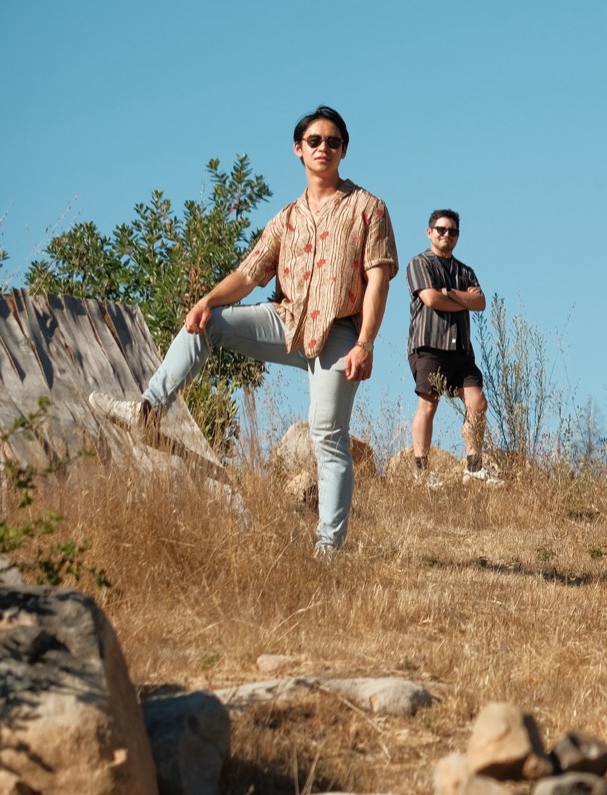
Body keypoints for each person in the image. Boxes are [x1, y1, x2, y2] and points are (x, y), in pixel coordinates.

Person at [92, 106, 398, 560]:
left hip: (338, 333)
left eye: (333, 142)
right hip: (286, 320)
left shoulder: (368, 208)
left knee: (327, 434)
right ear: (298, 149)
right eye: (314, 141)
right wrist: (206, 301)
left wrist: (364, 343)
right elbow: (248, 275)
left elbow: (378, 281)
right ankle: (149, 410)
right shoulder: (287, 218)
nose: (324, 148)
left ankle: (329, 548)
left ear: (344, 150)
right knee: (207, 324)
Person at [405, 208, 497, 486]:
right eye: (441, 229)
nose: (447, 234)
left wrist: (449, 293)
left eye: (453, 231)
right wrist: (461, 300)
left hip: (461, 351)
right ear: (429, 232)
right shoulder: (419, 264)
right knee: (428, 405)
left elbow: (480, 303)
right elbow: (431, 299)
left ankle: (474, 467)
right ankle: (421, 473)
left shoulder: (465, 271)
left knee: (477, 403)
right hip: (429, 346)